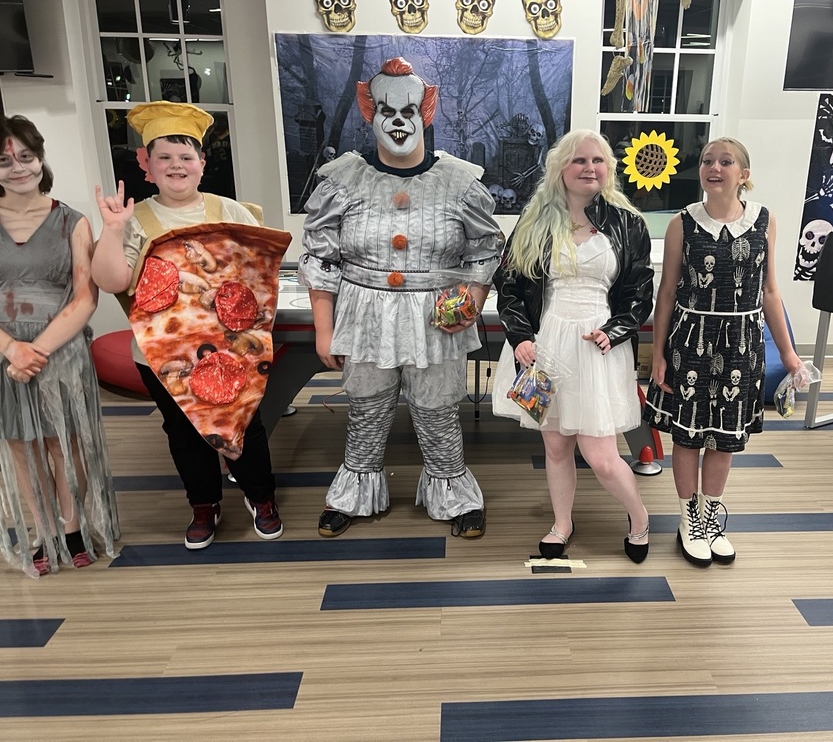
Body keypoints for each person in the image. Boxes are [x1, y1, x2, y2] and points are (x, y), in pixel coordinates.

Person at [300, 57, 503, 539]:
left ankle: (454, 495)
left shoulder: (459, 182)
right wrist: (324, 329)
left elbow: (487, 248)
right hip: (364, 313)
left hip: (436, 315)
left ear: (424, 114)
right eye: (387, 110)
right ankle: (353, 493)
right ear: (370, 114)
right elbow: (320, 257)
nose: (398, 121)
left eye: (408, 110)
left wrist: (472, 301)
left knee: (437, 408)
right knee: (366, 406)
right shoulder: (342, 180)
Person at [91, 101, 283, 550]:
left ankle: (261, 496)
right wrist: (113, 230)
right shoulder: (135, 219)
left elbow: (258, 275)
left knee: (246, 421)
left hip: (233, 345)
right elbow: (111, 281)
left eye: (185, 156)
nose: (176, 165)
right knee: (183, 431)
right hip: (162, 352)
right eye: (164, 157)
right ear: (147, 165)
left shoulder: (230, 211)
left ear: (202, 163)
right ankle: (204, 504)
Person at [493, 129, 654, 563]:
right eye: (579, 160)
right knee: (556, 446)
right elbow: (509, 285)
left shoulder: (628, 223)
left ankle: (640, 517)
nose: (589, 168)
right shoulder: (535, 220)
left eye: (597, 160)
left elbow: (639, 292)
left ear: (608, 168)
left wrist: (616, 329)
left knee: (600, 455)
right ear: (561, 168)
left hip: (599, 347)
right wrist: (520, 337)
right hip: (546, 345)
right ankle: (562, 523)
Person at [644, 137, 802, 567]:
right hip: (691, 338)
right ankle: (688, 519)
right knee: (688, 435)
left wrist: (788, 354)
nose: (714, 168)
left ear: (743, 174)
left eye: (725, 161)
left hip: (742, 342)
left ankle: (711, 516)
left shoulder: (765, 220)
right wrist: (657, 354)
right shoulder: (682, 223)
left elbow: (770, 291)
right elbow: (667, 293)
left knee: (725, 437)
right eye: (707, 161)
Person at [0, 115, 119, 577]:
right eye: (5, 161)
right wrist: (12, 349)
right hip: (4, 353)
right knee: (21, 445)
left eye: (26, 157)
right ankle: (44, 530)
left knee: (64, 442)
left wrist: (37, 349)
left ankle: (72, 529)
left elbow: (86, 296)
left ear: (40, 158)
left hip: (61, 350)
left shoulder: (72, 221)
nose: (18, 168)